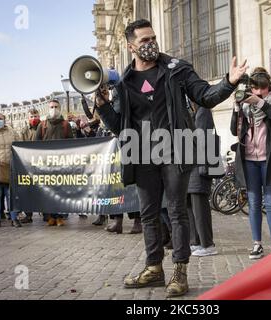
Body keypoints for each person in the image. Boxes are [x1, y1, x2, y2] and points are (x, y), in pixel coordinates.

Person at [95, 19, 247, 297]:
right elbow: (119, 126)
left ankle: (180, 270)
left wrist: (228, 82)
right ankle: (153, 268)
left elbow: (205, 95)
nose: (150, 43)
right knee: (149, 214)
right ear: (131, 47)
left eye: (152, 38)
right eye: (144, 40)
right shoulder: (125, 82)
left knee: (177, 211)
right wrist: (103, 106)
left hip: (175, 150)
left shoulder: (177, 69)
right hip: (141, 155)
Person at [230, 67, 271, 260]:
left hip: (269, 159)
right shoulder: (245, 107)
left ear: (268, 88)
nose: (258, 92)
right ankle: (257, 244)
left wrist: (261, 103)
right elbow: (234, 130)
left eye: (262, 88)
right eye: (255, 88)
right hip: (249, 159)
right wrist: (236, 108)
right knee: (254, 202)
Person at [35, 99, 73, 227]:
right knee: (48, 191)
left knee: (61, 191)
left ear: (60, 108)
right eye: (51, 107)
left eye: (56, 106)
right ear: (48, 108)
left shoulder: (66, 125)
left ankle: (60, 217)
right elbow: (35, 144)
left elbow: (72, 144)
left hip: (61, 164)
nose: (54, 109)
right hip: (46, 165)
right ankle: (50, 216)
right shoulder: (42, 125)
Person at [187, 106, 218, 257]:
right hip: (189, 164)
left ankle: (207, 243)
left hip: (199, 165)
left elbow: (201, 138)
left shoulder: (203, 111)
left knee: (199, 207)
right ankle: (195, 241)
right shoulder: (193, 111)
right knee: (190, 205)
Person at [18, 108, 41, 223]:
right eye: (31, 116)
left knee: (43, 189)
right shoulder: (23, 131)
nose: (34, 118)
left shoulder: (43, 127)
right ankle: (28, 215)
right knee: (28, 189)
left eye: (36, 116)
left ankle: (46, 213)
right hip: (28, 163)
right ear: (28, 118)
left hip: (41, 162)